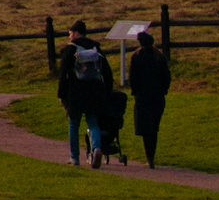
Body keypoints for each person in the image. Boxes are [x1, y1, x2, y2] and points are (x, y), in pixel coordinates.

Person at [57, 19, 114, 167]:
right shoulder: (96, 48)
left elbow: (63, 74)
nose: (69, 37)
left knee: (73, 124)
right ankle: (96, 149)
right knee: (93, 122)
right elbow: (107, 71)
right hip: (94, 92)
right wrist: (107, 90)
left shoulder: (70, 49)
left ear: (76, 33)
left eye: (70, 33)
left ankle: (74, 158)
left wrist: (61, 94)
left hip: (75, 92)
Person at [127, 29, 172, 168]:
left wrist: (135, 91)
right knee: (154, 128)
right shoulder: (159, 57)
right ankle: (151, 156)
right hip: (157, 96)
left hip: (142, 97)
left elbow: (133, 78)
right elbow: (167, 77)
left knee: (145, 128)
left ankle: (149, 157)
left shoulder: (136, 57)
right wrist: (164, 90)